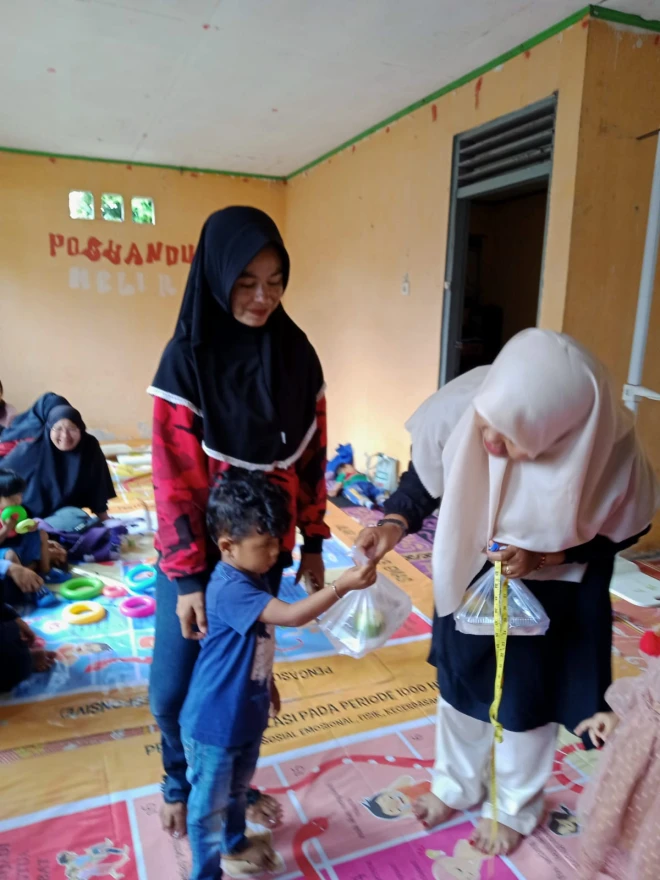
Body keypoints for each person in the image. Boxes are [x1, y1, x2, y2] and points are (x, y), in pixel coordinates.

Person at [355, 329, 658, 856]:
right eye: (487, 427)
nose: (492, 445)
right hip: (471, 568)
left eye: (513, 437)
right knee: (459, 686)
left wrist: (547, 557)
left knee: (527, 701)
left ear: (560, 434)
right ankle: (455, 784)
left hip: (558, 591)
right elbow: (424, 480)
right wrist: (392, 524)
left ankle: (514, 806)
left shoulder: (609, 449)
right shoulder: (463, 406)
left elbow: (625, 529)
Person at [148, 207, 329, 840]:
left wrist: (313, 542)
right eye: (246, 283)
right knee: (173, 688)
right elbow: (173, 481)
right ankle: (179, 780)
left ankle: (233, 784)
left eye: (275, 282)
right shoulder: (185, 360)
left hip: (262, 554)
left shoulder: (297, 355)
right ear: (218, 277)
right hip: (198, 558)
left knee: (242, 682)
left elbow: (311, 459)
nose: (262, 297)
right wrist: (187, 580)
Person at [181, 470, 376, 879]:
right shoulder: (231, 587)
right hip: (214, 722)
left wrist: (267, 684)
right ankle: (206, 873)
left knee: (237, 791)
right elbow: (289, 616)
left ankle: (235, 843)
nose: (275, 553)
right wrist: (342, 586)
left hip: (245, 713)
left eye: (278, 543)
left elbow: (255, 644)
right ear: (227, 546)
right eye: (265, 545)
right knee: (207, 808)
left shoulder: (251, 577)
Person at [575, 626, 660, 879]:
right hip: (635, 742)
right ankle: (589, 864)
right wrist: (617, 715)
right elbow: (648, 682)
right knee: (612, 805)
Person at [0, 394, 115, 520]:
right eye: (57, 428)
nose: (65, 435)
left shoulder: (89, 446)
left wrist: (104, 518)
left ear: (81, 429)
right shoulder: (30, 450)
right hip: (29, 517)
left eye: (72, 428)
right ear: (48, 428)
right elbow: (3, 476)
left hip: (69, 513)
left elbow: (98, 483)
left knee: (76, 518)